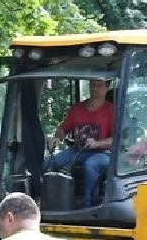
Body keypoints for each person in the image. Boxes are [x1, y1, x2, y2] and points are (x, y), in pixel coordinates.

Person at [45, 78, 116, 206]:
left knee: (90, 165)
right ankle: (48, 202)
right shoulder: (77, 109)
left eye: (99, 85)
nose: (94, 88)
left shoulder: (112, 111)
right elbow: (63, 128)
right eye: (92, 85)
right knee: (49, 163)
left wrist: (97, 143)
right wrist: (57, 138)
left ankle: (89, 205)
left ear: (107, 88)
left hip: (104, 153)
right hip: (78, 150)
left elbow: (117, 139)